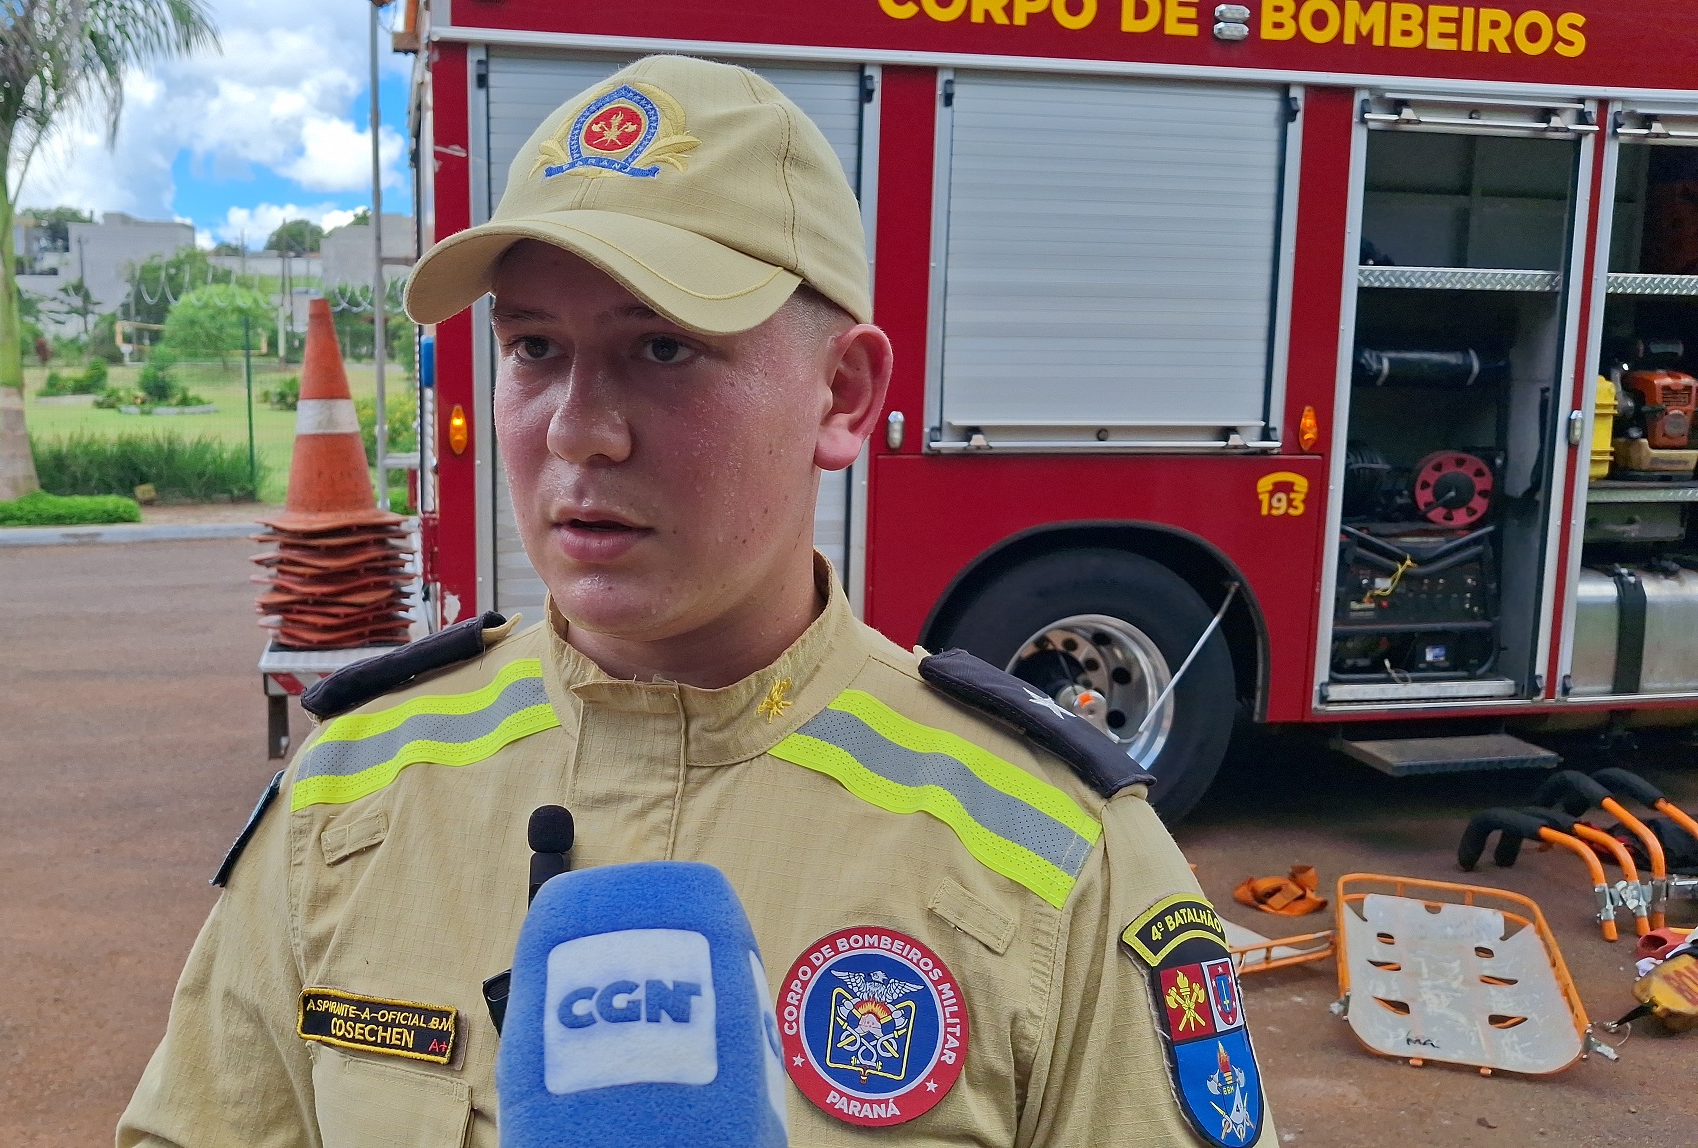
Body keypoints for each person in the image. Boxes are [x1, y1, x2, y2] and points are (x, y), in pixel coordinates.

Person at [119, 55, 1273, 1148]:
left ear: (844, 393)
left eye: (663, 348)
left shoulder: (1053, 852)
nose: (579, 430)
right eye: (534, 346)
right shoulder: (350, 793)